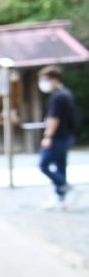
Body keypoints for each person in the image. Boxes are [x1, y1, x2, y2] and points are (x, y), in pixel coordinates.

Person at [38, 66, 79, 210]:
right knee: (60, 166)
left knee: (43, 165)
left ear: (53, 79)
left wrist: (48, 136)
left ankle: (66, 187)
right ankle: (60, 197)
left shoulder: (59, 97)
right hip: (66, 136)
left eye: (44, 79)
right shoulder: (66, 94)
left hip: (57, 137)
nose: (43, 83)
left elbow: (54, 118)